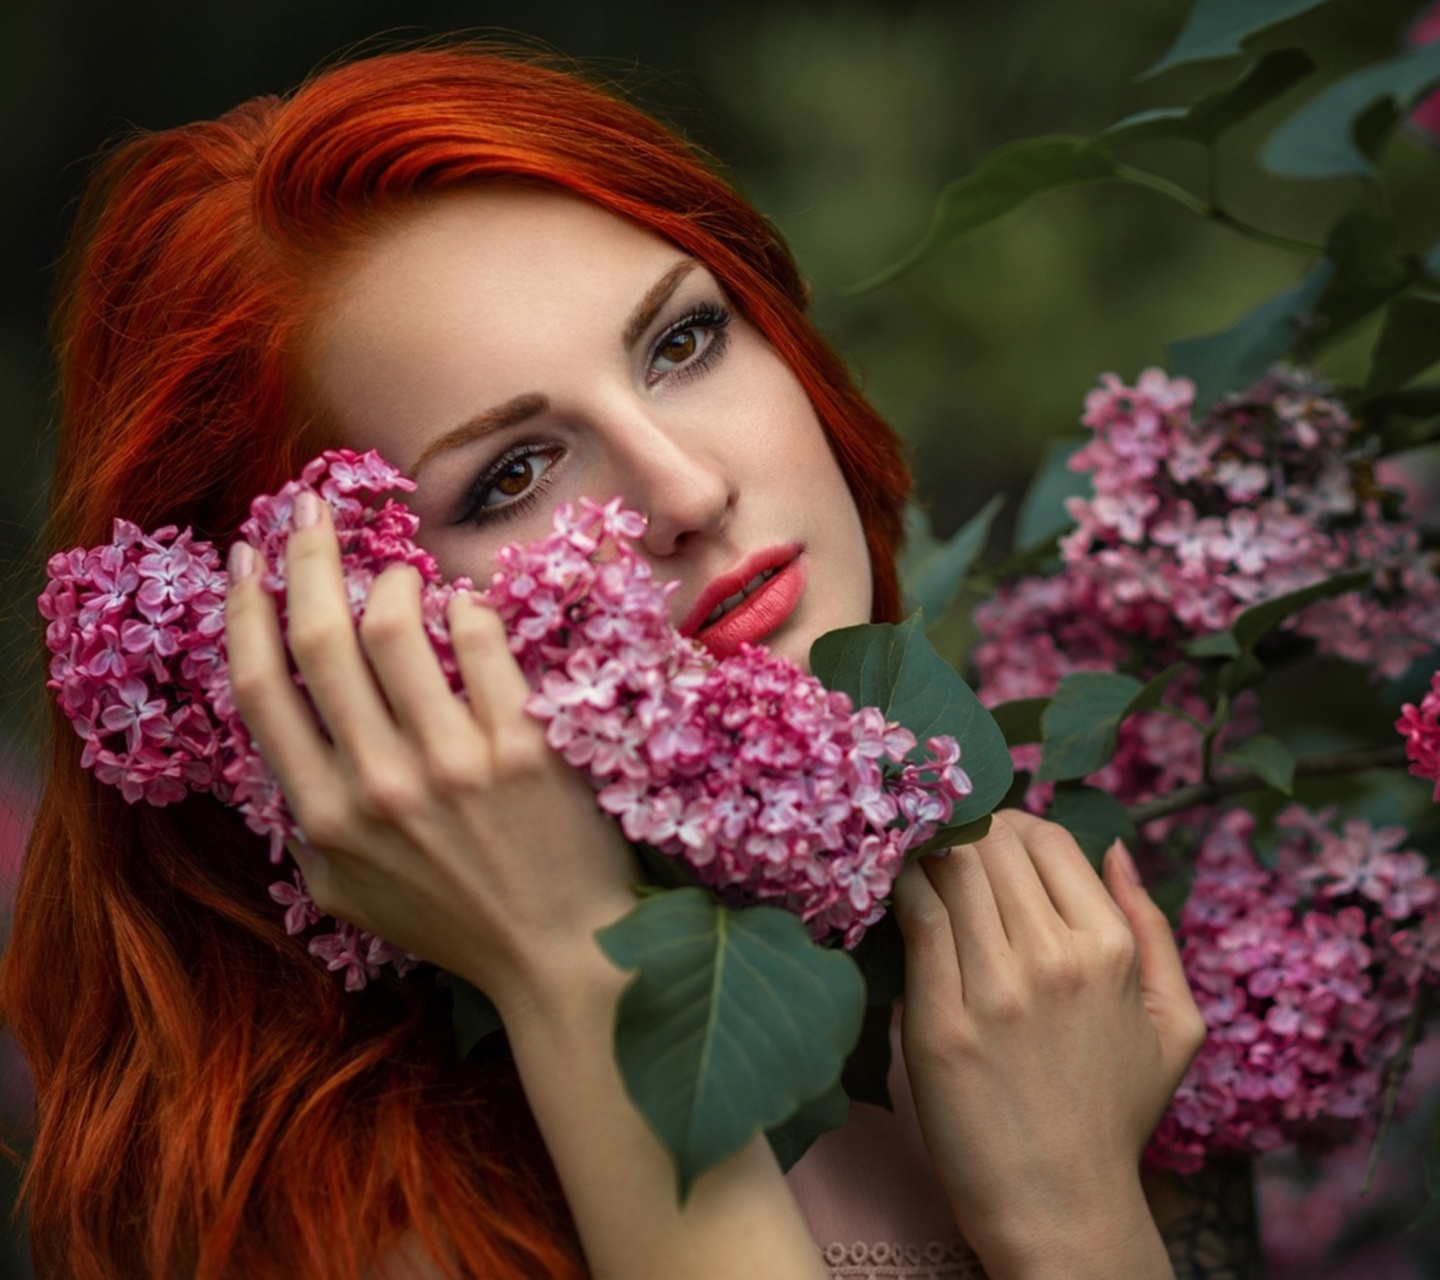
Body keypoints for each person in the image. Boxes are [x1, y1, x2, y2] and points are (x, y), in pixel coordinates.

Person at [1, 45, 1219, 1280]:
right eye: (513, 474)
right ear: (316, 641)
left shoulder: (1066, 986)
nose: (689, 488)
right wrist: (1073, 1226)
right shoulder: (374, 1228)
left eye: (684, 342)